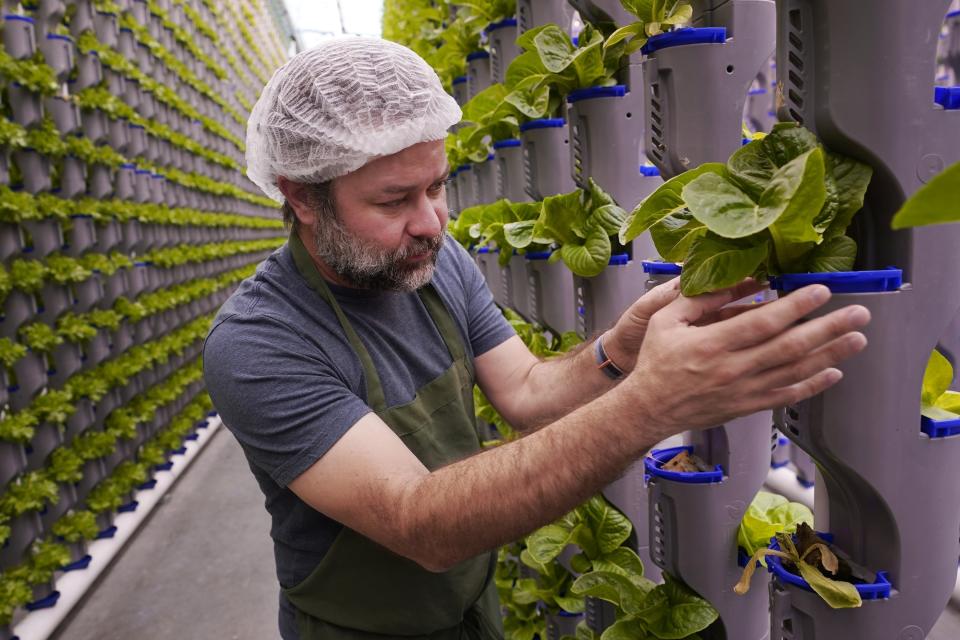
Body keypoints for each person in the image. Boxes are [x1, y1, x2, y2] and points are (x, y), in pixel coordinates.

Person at [202, 38, 870, 640]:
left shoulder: (433, 260)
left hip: (470, 605)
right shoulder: (261, 343)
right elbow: (419, 524)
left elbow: (526, 390)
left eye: (435, 186)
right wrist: (653, 403)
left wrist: (620, 350)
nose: (431, 221)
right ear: (301, 198)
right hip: (361, 628)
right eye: (392, 199)